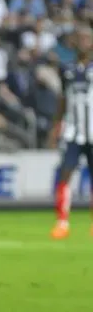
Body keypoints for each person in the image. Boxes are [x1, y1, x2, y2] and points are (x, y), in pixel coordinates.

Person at [49, 24, 93, 239]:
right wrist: (56, 126)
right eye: (80, 38)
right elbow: (63, 100)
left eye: (87, 38)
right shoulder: (67, 70)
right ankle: (62, 222)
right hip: (73, 132)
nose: (84, 41)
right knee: (65, 173)